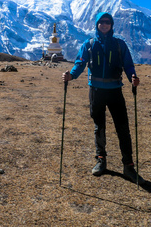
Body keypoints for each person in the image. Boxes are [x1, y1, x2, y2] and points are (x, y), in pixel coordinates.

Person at [62, 12, 144, 184]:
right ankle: (101, 159)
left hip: (115, 90)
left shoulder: (120, 45)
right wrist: (71, 76)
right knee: (99, 126)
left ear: (112, 25)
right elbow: (80, 63)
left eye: (108, 22)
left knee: (123, 128)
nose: (105, 25)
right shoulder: (89, 44)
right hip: (96, 91)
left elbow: (128, 65)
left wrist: (133, 78)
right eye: (102, 22)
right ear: (97, 24)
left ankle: (128, 165)